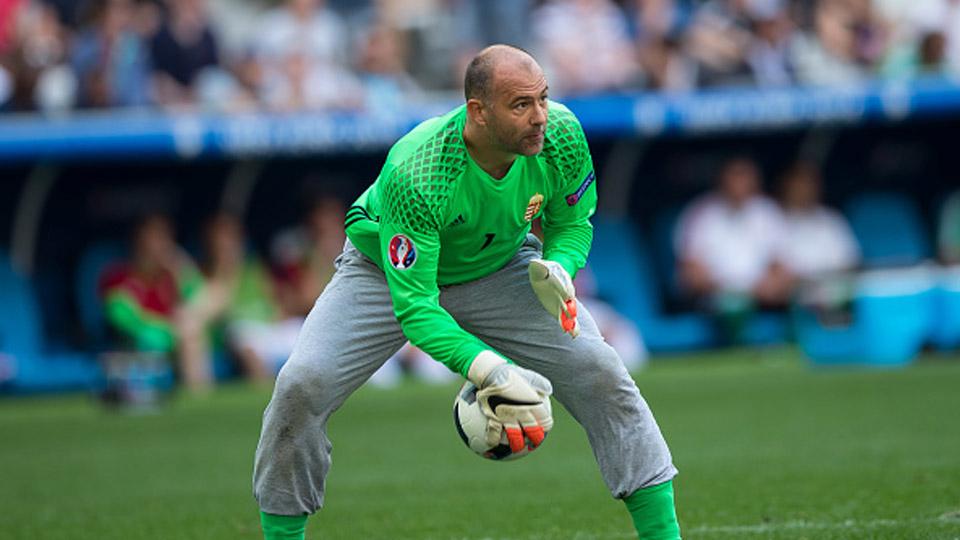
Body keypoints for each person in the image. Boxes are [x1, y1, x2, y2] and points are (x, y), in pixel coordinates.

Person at [253, 45, 680, 540]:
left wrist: (560, 269)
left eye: (543, 98)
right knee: (301, 384)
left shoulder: (561, 132)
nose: (540, 117)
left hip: (500, 264)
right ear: (478, 111)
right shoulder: (420, 170)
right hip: (383, 275)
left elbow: (571, 222)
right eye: (521, 105)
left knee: (601, 372)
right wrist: (490, 369)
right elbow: (417, 308)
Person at [675, 156, 792, 341]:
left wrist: (766, 287)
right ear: (722, 180)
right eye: (735, 177)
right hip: (716, 300)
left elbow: (782, 267)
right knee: (732, 305)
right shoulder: (701, 213)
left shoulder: (767, 212)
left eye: (745, 177)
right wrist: (731, 289)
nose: (740, 184)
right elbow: (691, 274)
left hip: (763, 299)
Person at [100, 213, 211, 391]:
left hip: (178, 343)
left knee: (191, 328)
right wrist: (170, 331)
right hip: (138, 347)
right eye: (153, 238)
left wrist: (180, 267)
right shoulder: (119, 278)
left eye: (164, 238)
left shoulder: (171, 276)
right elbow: (125, 321)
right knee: (187, 333)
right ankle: (198, 390)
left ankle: (199, 391)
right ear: (138, 241)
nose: (160, 246)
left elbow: (201, 302)